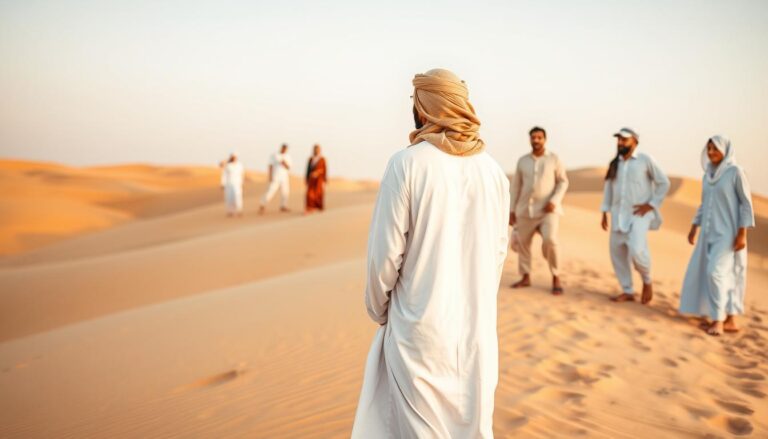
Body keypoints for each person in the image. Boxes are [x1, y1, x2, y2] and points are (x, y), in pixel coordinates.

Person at [351, 69, 510, 438]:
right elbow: (497, 256)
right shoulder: (493, 172)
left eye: (415, 102)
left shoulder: (406, 164)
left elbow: (385, 256)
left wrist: (379, 309)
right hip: (477, 335)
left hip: (418, 331)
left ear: (425, 108)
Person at [679, 135, 754, 336]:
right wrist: (695, 226)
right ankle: (730, 319)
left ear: (726, 150)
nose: (711, 152)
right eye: (709, 148)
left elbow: (746, 205)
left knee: (716, 273)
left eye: (716, 148)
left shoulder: (735, 172)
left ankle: (718, 320)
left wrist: (742, 234)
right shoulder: (708, 175)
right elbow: (705, 204)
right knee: (716, 273)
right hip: (708, 233)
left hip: (728, 234)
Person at [600, 127, 670, 304]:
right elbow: (608, 188)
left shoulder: (645, 160)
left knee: (637, 250)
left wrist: (652, 204)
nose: (620, 143)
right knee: (617, 253)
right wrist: (604, 212)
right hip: (617, 214)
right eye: (619, 140)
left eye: (624, 139)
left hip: (639, 214)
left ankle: (647, 279)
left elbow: (664, 183)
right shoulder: (614, 164)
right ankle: (628, 290)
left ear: (635, 142)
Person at [509, 126, 569, 295]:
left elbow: (563, 182)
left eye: (539, 137)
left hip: (547, 210)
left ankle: (556, 276)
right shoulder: (522, 161)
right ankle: (525, 276)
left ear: (545, 139)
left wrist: (554, 200)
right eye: (533, 137)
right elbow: (516, 187)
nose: (536, 140)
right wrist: (512, 210)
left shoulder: (554, 159)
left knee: (551, 240)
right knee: (523, 245)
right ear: (530, 139)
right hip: (524, 210)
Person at [259, 143, 292, 214]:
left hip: (284, 178)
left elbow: (289, 167)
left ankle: (283, 206)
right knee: (271, 191)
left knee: (285, 192)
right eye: (283, 148)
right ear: (281, 148)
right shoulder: (274, 155)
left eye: (285, 149)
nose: (284, 150)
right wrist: (270, 176)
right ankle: (262, 204)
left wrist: (284, 163)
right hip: (275, 177)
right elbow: (270, 165)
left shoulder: (288, 157)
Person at [220, 152, 244, 217]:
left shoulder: (240, 165)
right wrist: (222, 183)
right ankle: (230, 212)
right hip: (229, 184)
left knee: (238, 197)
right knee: (229, 198)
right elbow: (224, 174)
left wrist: (242, 183)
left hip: (237, 184)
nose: (234, 158)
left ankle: (239, 211)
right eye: (232, 157)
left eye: (235, 157)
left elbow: (242, 175)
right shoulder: (228, 165)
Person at [305, 144, 327, 214]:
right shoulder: (311, 159)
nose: (316, 151)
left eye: (317, 149)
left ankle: (318, 207)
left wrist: (323, 178)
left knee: (319, 193)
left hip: (319, 180)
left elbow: (324, 169)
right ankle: (310, 207)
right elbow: (308, 170)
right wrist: (307, 178)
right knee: (309, 194)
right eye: (315, 149)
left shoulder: (322, 159)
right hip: (311, 180)